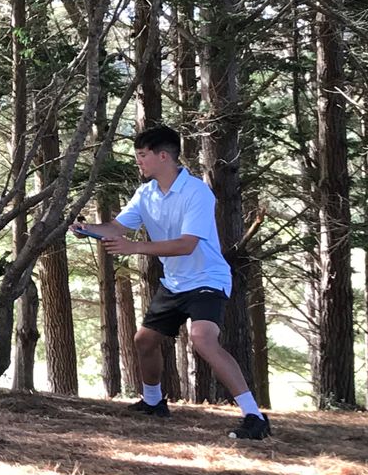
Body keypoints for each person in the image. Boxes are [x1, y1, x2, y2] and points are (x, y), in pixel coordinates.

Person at [72, 125, 271, 441]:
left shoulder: (197, 192)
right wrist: (86, 229)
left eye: (142, 155)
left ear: (163, 156)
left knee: (203, 338)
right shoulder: (145, 194)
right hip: (175, 282)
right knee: (144, 341)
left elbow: (187, 244)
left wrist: (135, 247)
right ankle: (154, 403)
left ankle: (254, 416)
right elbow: (115, 228)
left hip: (207, 278)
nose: (138, 162)